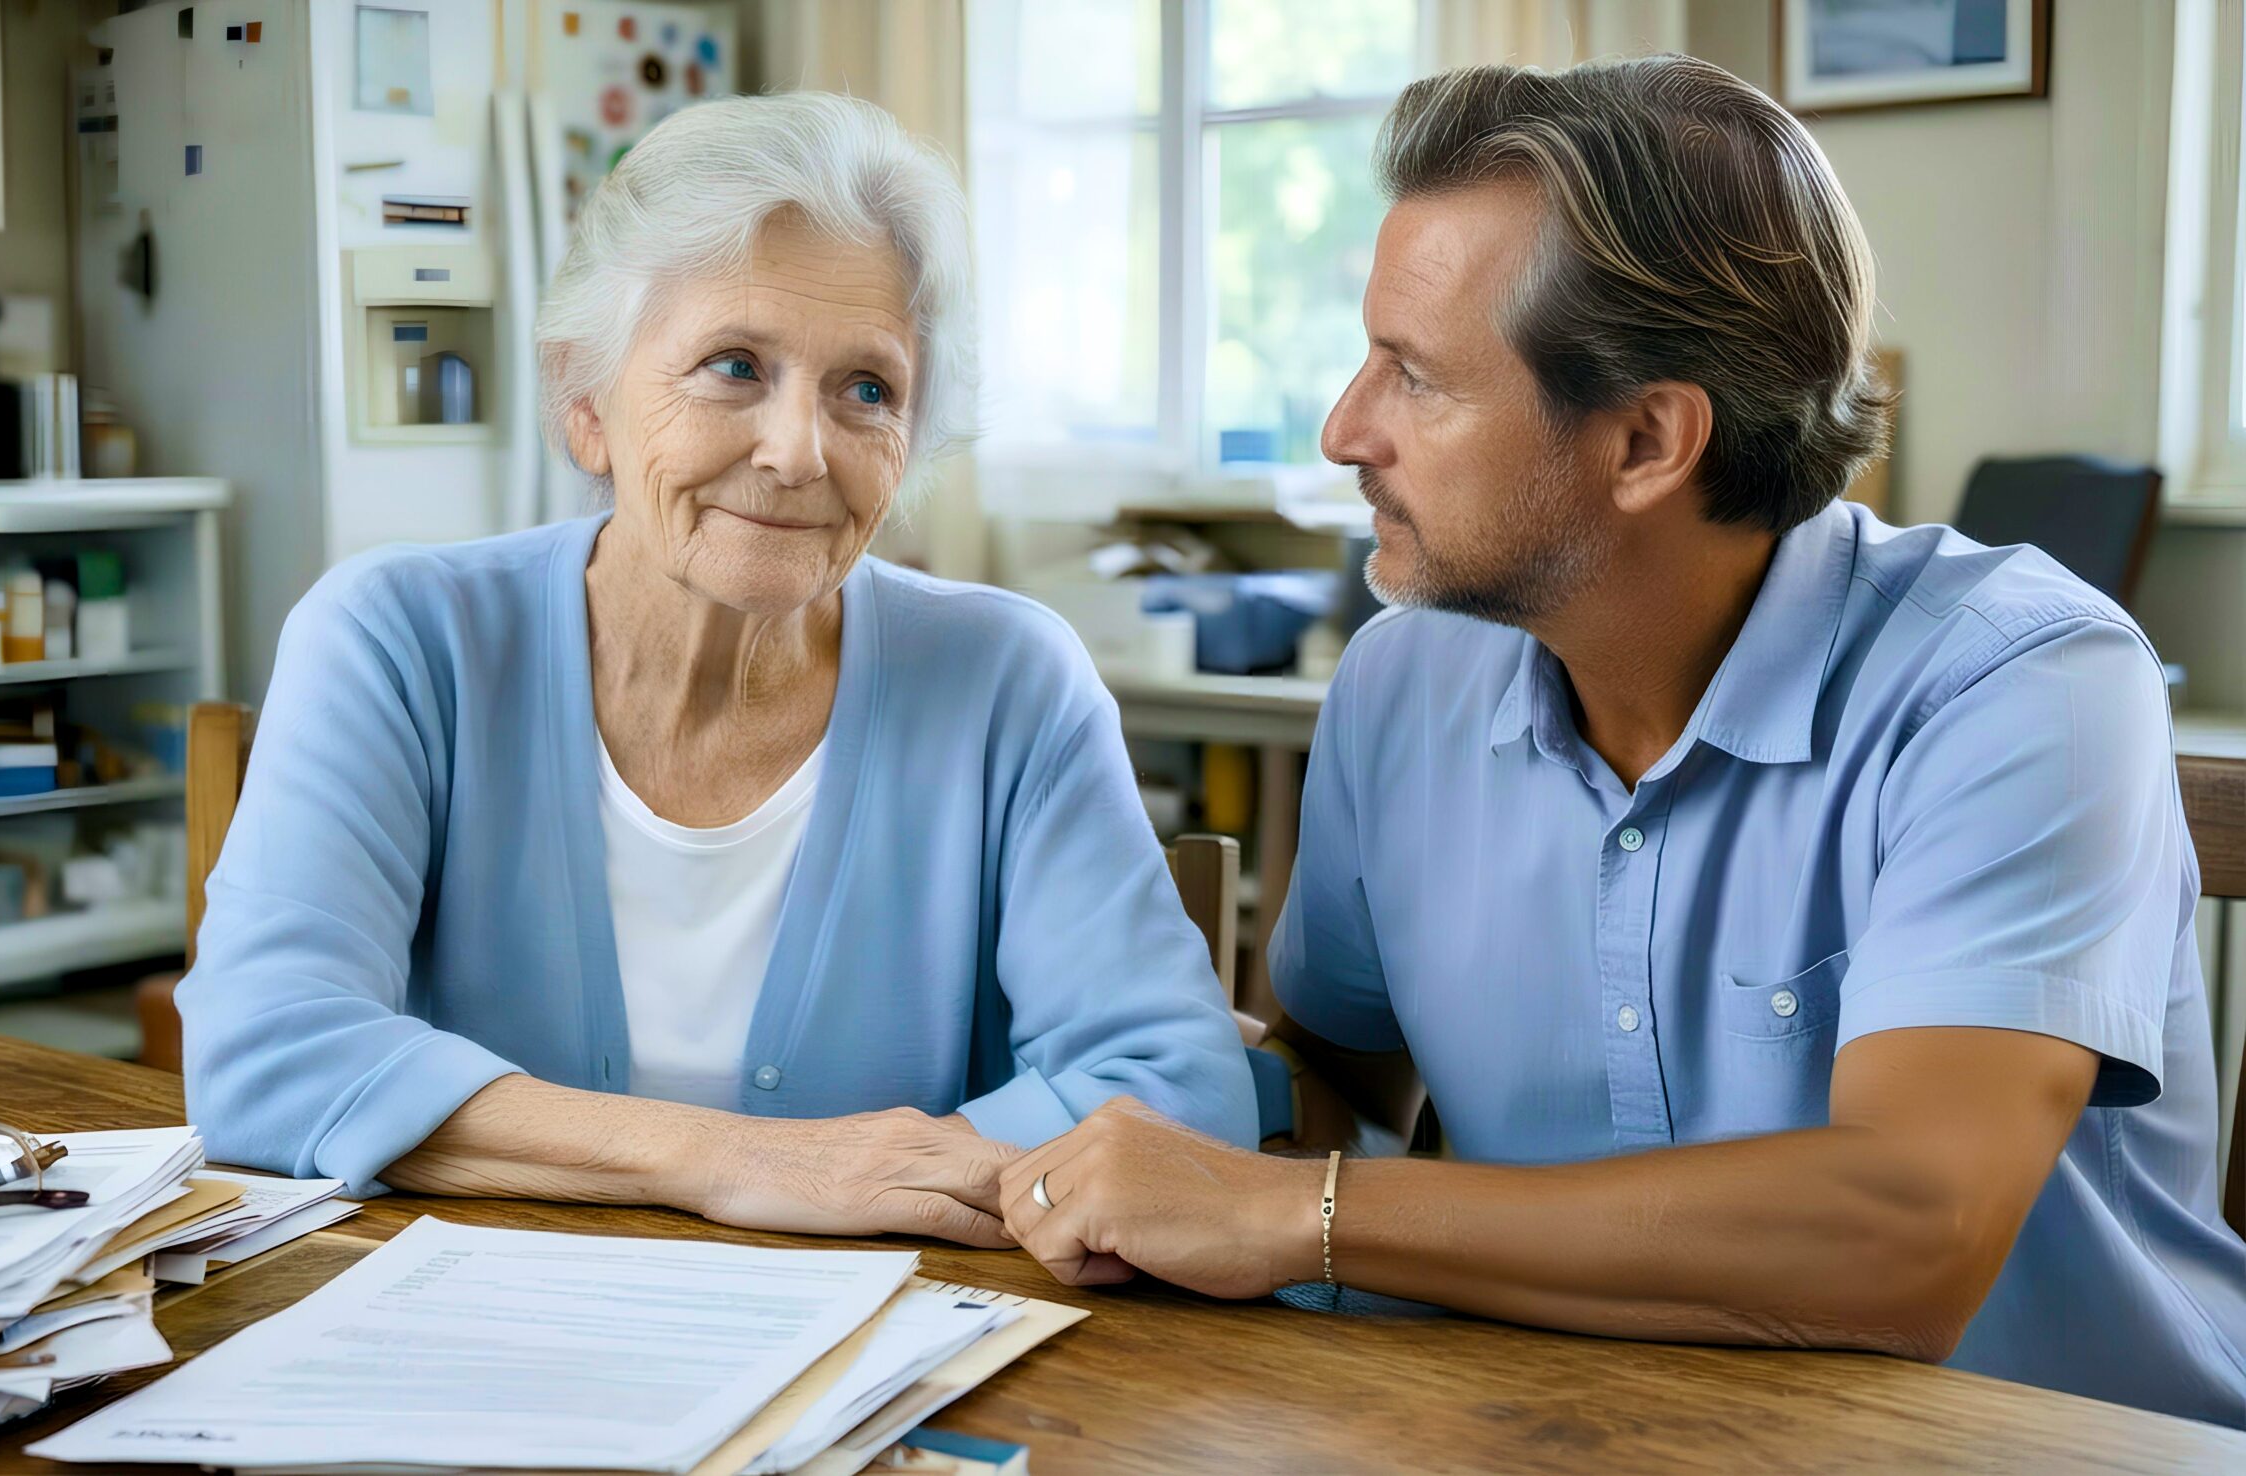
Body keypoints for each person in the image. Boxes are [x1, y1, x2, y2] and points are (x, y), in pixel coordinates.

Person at [996, 55, 2246, 1426]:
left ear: (1648, 440)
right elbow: (1340, 1075)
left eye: (1414, 377)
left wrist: (1304, 1213)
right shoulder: (1400, 681)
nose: (1346, 429)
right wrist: (1128, 1094)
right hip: (1564, 1436)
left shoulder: (2023, 683)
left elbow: (1906, 1235)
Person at [180, 92, 1256, 1249]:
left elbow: (1179, 1091)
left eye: (868, 390)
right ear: (584, 406)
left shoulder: (1007, 681)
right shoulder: (397, 639)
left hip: (892, 1356)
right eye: (733, 365)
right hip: (472, 1338)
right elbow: (267, 1057)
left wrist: (880, 1185)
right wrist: (736, 1160)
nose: (800, 452)